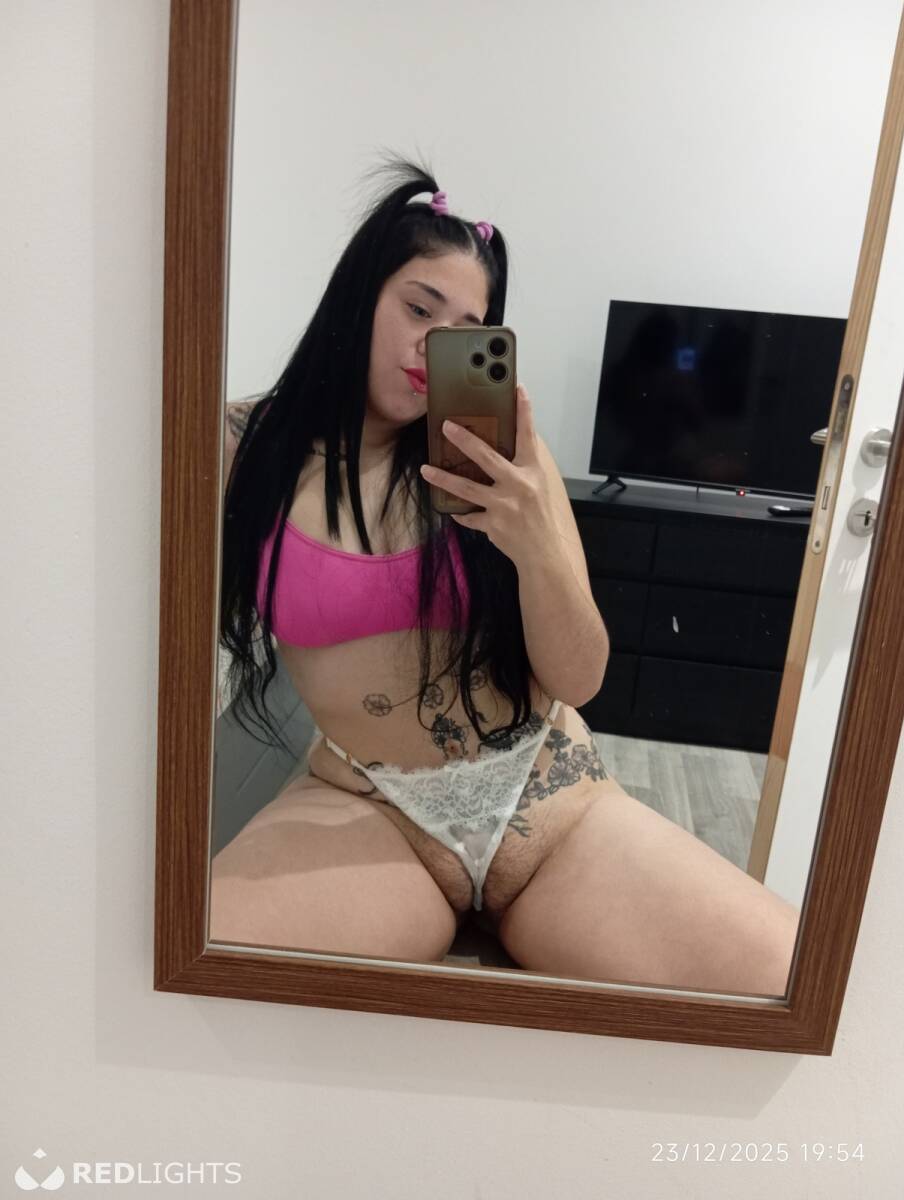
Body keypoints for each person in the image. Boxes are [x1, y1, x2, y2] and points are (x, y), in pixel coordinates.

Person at [210, 155, 799, 997]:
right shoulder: (244, 449)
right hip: (368, 806)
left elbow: (580, 678)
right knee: (200, 960)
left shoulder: (509, 460)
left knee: (789, 978)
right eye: (419, 308)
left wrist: (534, 543)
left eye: (467, 328)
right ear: (358, 296)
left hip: (548, 801)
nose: (434, 344)